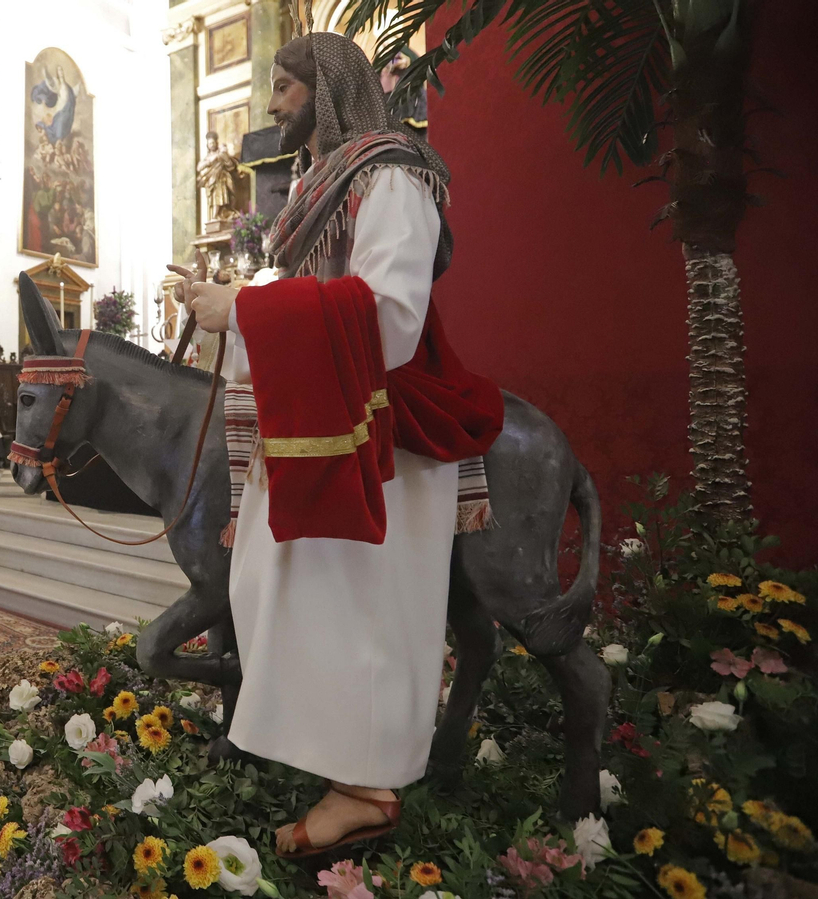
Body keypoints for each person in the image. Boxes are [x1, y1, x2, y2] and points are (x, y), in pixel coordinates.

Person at [172, 32, 502, 858]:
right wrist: (230, 306)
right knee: (266, 572)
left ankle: (367, 784)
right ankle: (335, 757)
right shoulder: (323, 188)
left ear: (328, 90)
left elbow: (391, 317)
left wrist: (245, 307)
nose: (274, 104)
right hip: (336, 408)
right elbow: (312, 304)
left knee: (361, 604)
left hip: (386, 425)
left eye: (285, 87)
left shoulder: (389, 172)